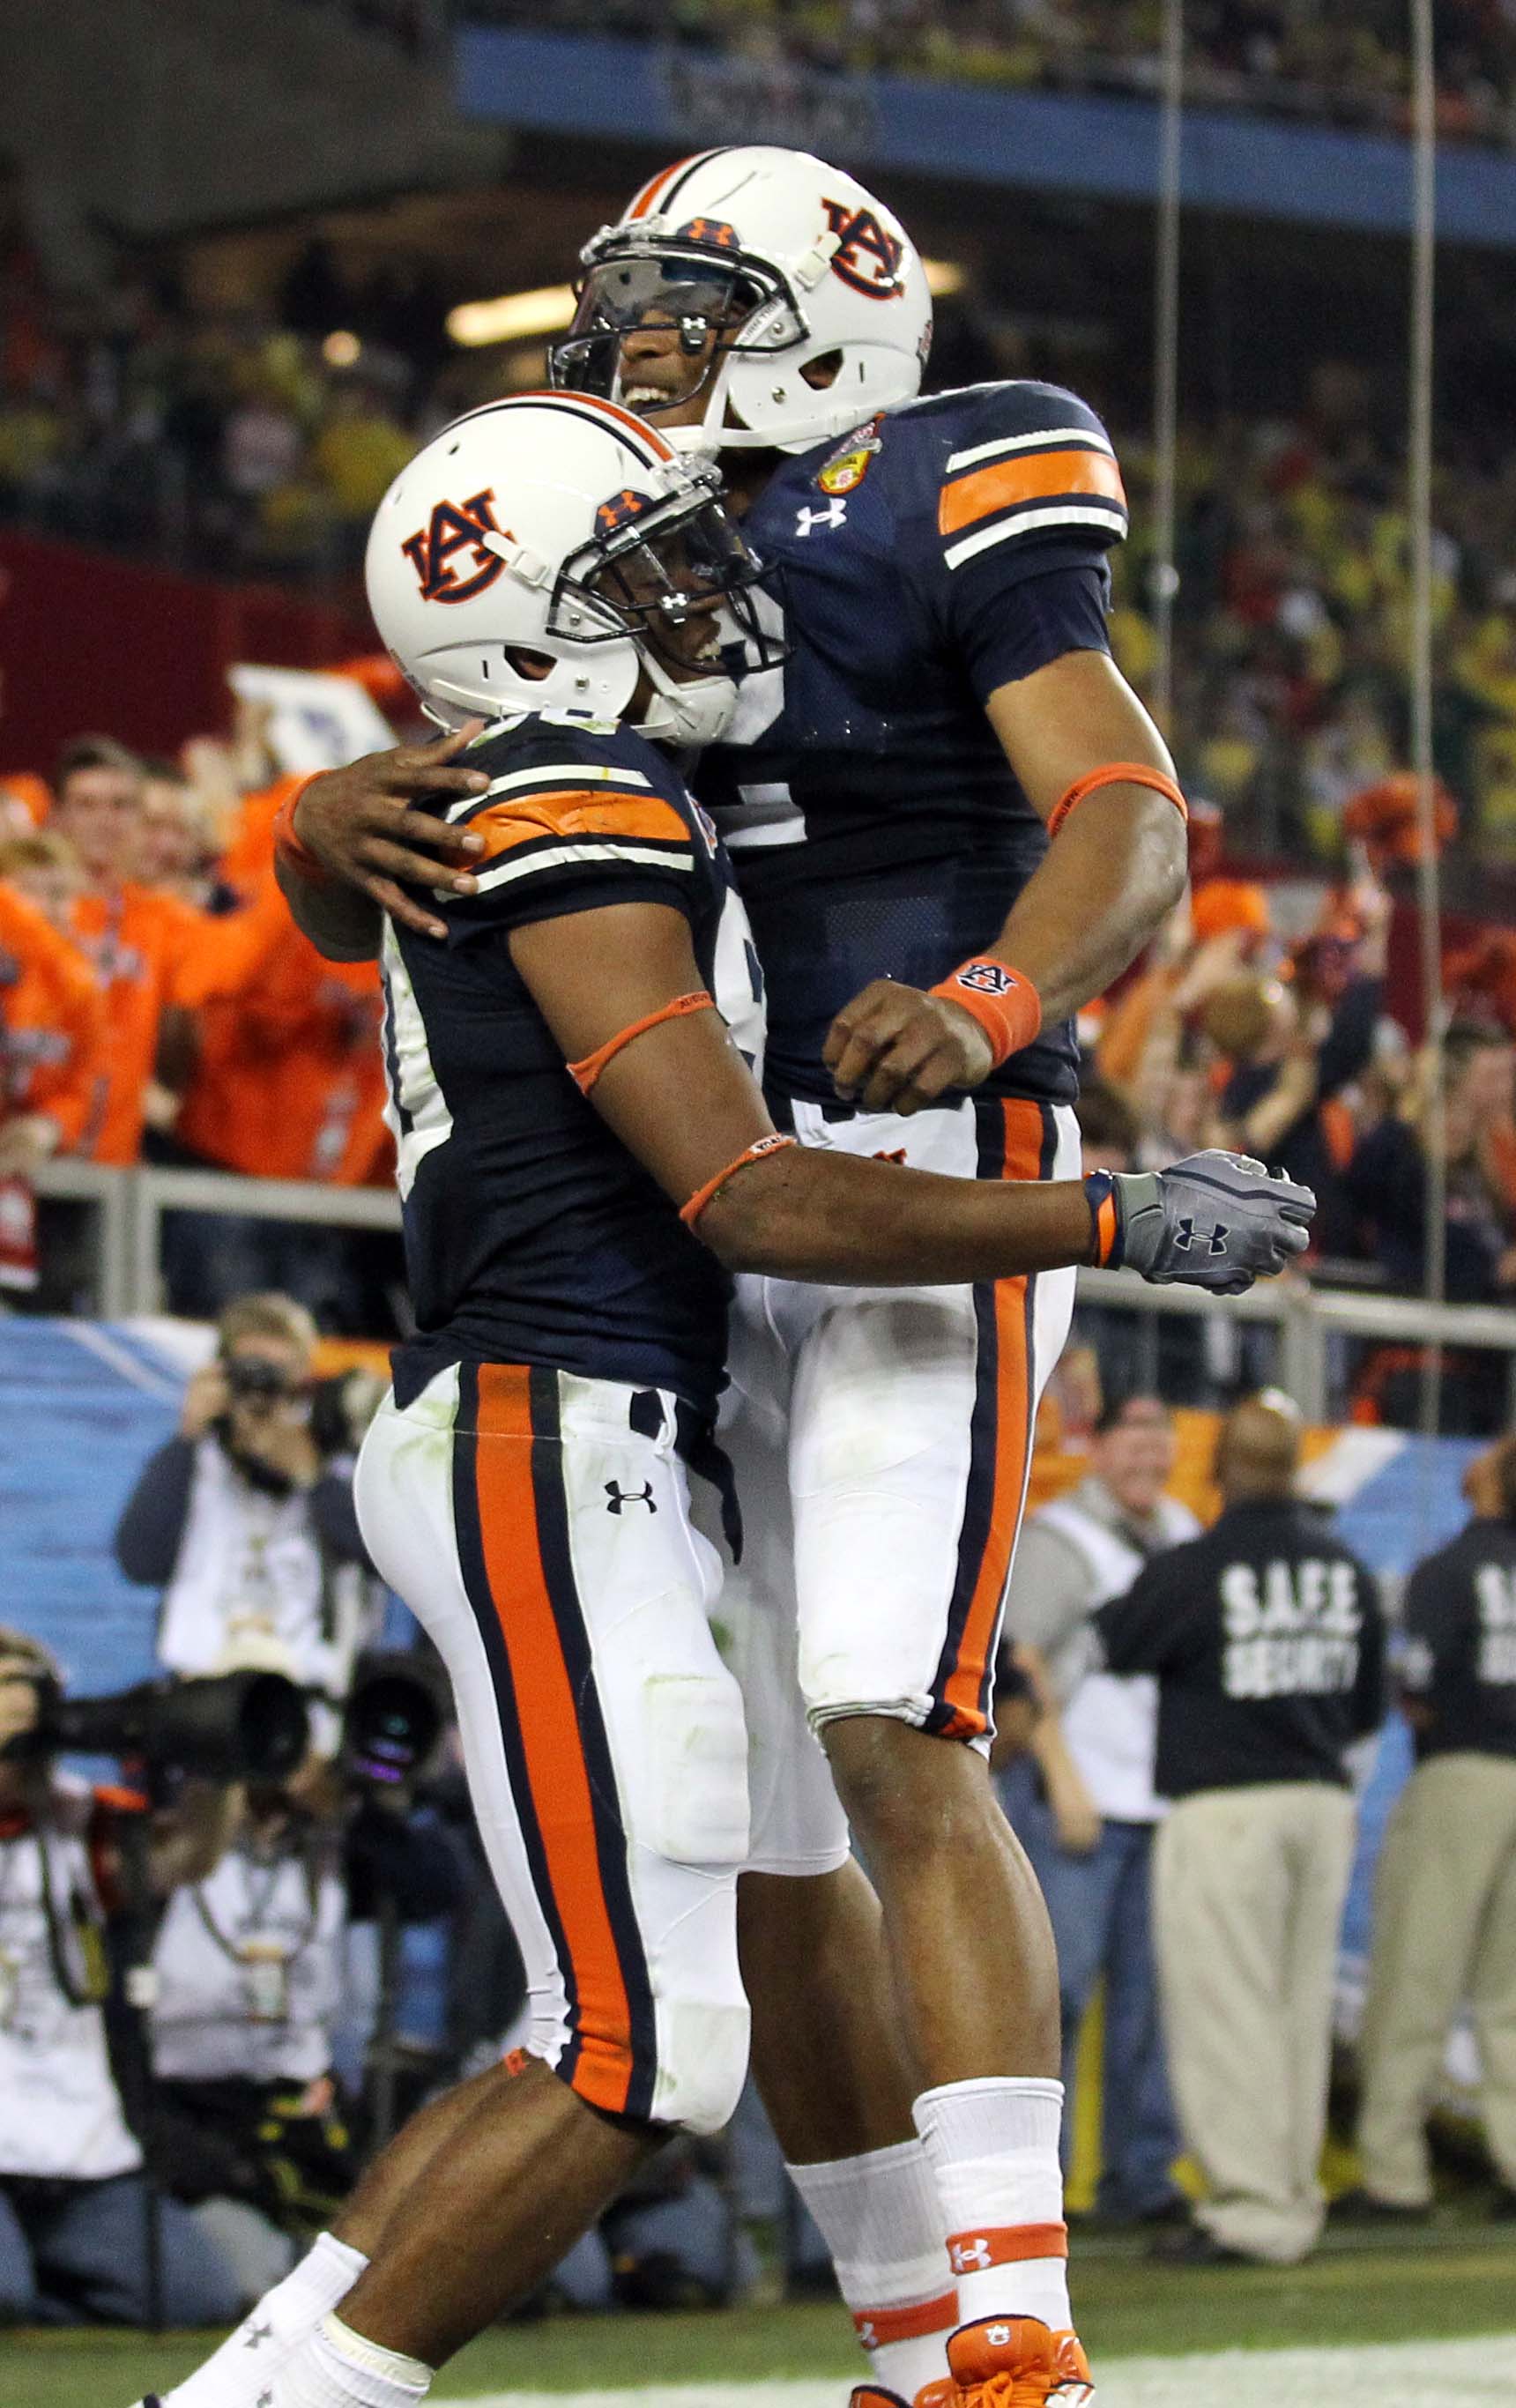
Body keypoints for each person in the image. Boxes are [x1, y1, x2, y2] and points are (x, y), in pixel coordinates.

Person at [133, 395, 1310, 2408]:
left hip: (568, 1426)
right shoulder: (576, 804)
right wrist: (1103, 1208)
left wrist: (304, 822)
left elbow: (356, 877)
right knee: (632, 2044)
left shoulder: (519, 781)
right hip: (547, 1422)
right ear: (537, 635)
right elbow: (746, 1187)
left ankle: (287, 2388)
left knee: (668, 1980)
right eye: (642, 570)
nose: (702, 592)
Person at [1094, 1394, 1386, 2266]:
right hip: (1319, 1803)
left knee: (1227, 2009)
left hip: (1225, 1807)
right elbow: (1368, 1702)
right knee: (1296, 2009)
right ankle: (1292, 2192)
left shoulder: (1198, 1564)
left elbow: (1120, 1642)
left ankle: (1250, 2208)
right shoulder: (1343, 1567)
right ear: (1296, 1466)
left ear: (1214, 1466)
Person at [0, 1628, 243, 2328]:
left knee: (196, 2297)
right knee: (5, 2295)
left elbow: (185, 1856)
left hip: (79, 2142)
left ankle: (39, 2278)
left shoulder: (80, 1820)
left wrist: (216, 1759)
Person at [1000, 1395, 1199, 2226]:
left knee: (1153, 2003)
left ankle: (1141, 2174)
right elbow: (1020, 1660)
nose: (1147, 1461)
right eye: (1132, 1444)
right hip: (1082, 1797)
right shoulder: (1061, 1538)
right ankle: (1044, 2183)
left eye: (1160, 1446)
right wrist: (1063, 1778)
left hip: (1160, 1795)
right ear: (1099, 1450)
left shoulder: (1185, 1531)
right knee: (1064, 1994)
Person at [1346, 1436, 1516, 2218]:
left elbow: (1417, 1685)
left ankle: (1394, 2171)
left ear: (1487, 1482)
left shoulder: (1448, 1571)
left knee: (1417, 1977)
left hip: (1463, 1777)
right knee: (1509, 1995)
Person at [114, 1293, 380, 1738]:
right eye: (250, 1368)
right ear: (220, 1371)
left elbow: (382, 1557)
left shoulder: (335, 1463)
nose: (263, 1386)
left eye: (280, 1371)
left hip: (310, 1710)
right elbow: (139, 1562)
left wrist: (310, 1476)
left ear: (304, 1379)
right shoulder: (192, 1461)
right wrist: (187, 1438)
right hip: (198, 1698)